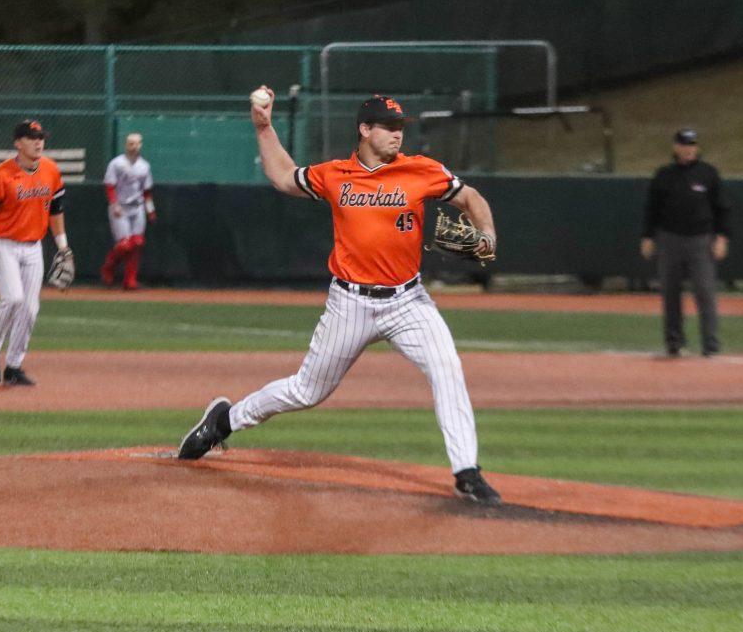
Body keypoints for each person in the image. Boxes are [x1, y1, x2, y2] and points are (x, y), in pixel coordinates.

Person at [177, 89, 503, 505]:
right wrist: (263, 127)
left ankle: (466, 472)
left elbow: (471, 198)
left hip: (408, 302)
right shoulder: (335, 175)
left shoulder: (422, 171)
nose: (397, 135)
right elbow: (283, 177)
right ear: (365, 129)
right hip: (350, 303)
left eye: (400, 127)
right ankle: (226, 420)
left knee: (447, 369)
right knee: (306, 391)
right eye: (388, 127)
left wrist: (487, 234)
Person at [0, 119, 71, 386]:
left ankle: (14, 367)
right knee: (13, 299)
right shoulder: (1, 174)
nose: (38, 141)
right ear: (18, 143)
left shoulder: (51, 170)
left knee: (30, 309)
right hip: (3, 243)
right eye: (31, 137)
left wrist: (63, 246)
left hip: (33, 247)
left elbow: (56, 210)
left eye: (41, 136)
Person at [640, 128, 731, 358]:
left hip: (700, 240)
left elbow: (722, 209)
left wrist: (721, 237)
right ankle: (674, 343)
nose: (689, 149)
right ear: (676, 147)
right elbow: (652, 209)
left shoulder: (708, 174)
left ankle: (710, 345)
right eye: (685, 145)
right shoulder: (664, 175)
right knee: (670, 293)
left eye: (692, 145)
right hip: (670, 239)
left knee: (705, 291)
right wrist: (648, 237)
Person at [100, 132, 156, 290]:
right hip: (120, 208)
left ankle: (130, 280)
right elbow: (109, 186)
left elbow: (147, 192)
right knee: (124, 245)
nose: (134, 146)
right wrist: (114, 204)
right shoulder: (116, 163)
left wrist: (150, 211)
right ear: (126, 145)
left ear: (141, 145)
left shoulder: (144, 166)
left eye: (137, 143)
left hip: (137, 207)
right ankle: (108, 268)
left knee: (137, 243)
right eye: (131, 143)